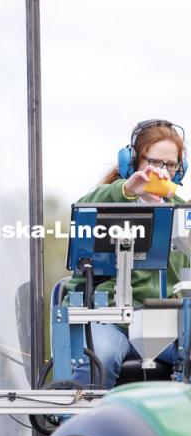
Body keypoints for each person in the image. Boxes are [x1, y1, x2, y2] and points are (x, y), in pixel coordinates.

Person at [65, 119, 189, 389]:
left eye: (171, 165)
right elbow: (84, 209)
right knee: (101, 358)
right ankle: (87, 428)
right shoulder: (111, 198)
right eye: (154, 163)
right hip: (110, 322)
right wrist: (129, 189)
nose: (162, 172)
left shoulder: (183, 212)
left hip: (165, 324)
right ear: (133, 162)